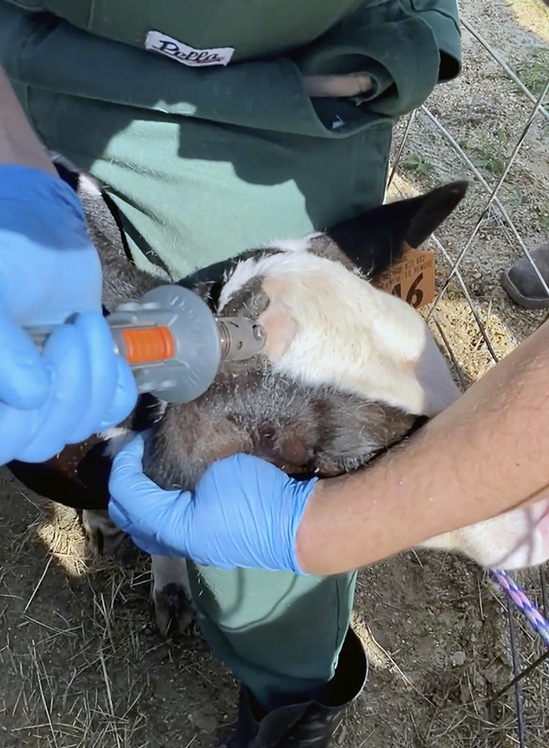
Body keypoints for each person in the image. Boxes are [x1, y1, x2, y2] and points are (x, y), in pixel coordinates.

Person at [0, 1, 512, 745]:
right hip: (35, 56)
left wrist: (398, 47)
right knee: (61, 382)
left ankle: (289, 693)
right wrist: (15, 173)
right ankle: (114, 509)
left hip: (281, 89)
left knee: (269, 559)